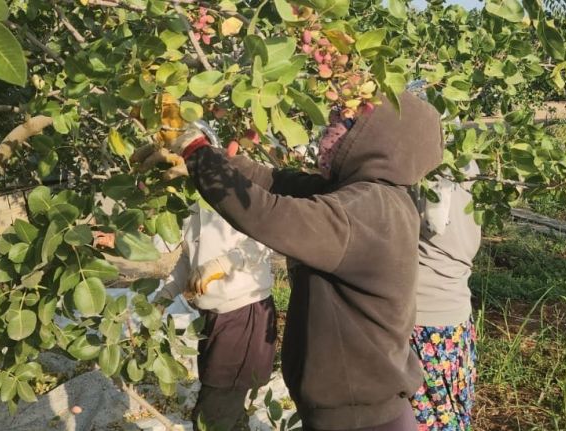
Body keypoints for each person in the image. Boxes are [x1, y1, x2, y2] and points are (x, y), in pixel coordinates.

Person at [132, 91, 444, 430]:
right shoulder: (371, 196)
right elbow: (274, 182)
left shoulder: (367, 209)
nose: (332, 129)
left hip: (360, 421)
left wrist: (196, 152)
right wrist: (207, 159)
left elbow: (268, 214)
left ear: (379, 137)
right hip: (359, 411)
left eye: (348, 122)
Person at [154, 203, 276, 431]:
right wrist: (164, 296)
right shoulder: (191, 202)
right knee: (226, 401)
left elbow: (263, 240)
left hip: (243, 313)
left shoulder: (234, 189)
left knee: (212, 413)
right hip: (212, 316)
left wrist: (224, 263)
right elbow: (188, 260)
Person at [410, 161, 481, 431]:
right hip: (457, 315)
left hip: (422, 319)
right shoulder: (468, 159)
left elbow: (434, 222)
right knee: (452, 415)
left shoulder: (419, 163)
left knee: (426, 419)